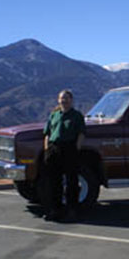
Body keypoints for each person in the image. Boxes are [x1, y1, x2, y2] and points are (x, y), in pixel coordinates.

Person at [42, 89, 86, 222]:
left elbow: (81, 134)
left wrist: (76, 148)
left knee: (72, 182)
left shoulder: (76, 116)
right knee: (53, 182)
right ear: (58, 100)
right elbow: (47, 132)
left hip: (69, 149)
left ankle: (72, 211)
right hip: (53, 149)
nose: (64, 101)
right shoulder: (54, 115)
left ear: (71, 100)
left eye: (66, 98)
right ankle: (54, 210)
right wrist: (47, 148)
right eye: (62, 98)